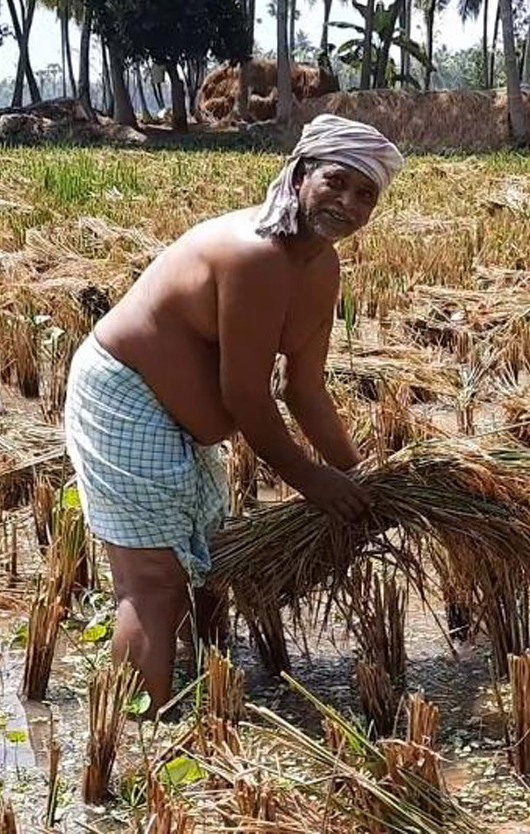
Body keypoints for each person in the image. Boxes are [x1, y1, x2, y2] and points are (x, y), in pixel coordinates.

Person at [63, 114, 405, 709]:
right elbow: (247, 396)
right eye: (336, 182)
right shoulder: (257, 255)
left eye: (364, 194)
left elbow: (306, 390)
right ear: (300, 175)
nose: (347, 202)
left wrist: (360, 478)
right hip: (126, 395)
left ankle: (196, 689)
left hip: (180, 421)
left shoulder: (321, 265)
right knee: (154, 581)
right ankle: (134, 738)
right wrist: (314, 482)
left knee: (205, 560)